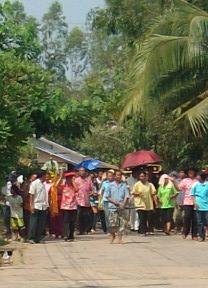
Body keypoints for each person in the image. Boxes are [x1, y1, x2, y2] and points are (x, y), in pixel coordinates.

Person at [105, 170, 129, 244]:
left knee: (122, 223)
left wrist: (124, 204)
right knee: (112, 223)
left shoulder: (124, 185)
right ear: (114, 176)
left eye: (119, 175)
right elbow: (107, 196)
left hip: (122, 207)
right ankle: (112, 235)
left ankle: (120, 238)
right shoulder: (110, 185)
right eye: (117, 175)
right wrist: (115, 203)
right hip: (112, 207)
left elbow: (127, 196)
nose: (118, 176)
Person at [132, 172, 155, 236]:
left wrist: (156, 202)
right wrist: (138, 194)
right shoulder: (137, 184)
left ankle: (142, 230)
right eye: (141, 176)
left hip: (148, 204)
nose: (142, 178)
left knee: (145, 218)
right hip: (139, 204)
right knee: (141, 218)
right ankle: (142, 232)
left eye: (143, 176)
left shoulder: (149, 184)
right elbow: (133, 193)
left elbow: (153, 193)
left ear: (145, 177)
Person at [28, 170, 49, 244]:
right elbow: (31, 195)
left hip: (43, 206)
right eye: (46, 175)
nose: (47, 177)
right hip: (36, 205)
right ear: (42, 176)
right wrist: (31, 206)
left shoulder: (43, 184)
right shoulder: (34, 183)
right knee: (33, 223)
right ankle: (31, 238)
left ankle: (38, 238)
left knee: (41, 223)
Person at [178, 168, 198, 240]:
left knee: (195, 219)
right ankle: (185, 232)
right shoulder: (185, 180)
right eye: (189, 172)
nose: (191, 173)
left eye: (192, 172)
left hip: (196, 202)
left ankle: (194, 234)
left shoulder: (197, 180)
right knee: (187, 217)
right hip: (187, 202)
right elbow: (179, 187)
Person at [75, 167, 93, 235]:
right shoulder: (76, 180)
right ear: (79, 172)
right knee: (79, 216)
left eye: (83, 171)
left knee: (86, 216)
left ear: (85, 172)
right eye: (80, 171)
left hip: (86, 201)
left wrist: (91, 193)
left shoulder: (88, 180)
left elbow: (92, 189)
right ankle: (79, 230)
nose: (82, 172)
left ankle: (86, 229)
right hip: (78, 201)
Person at [61, 172, 77, 241]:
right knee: (66, 221)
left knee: (72, 222)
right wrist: (61, 177)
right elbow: (56, 185)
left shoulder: (73, 186)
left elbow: (77, 189)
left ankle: (71, 236)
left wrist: (73, 181)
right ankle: (65, 235)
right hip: (65, 206)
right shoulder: (64, 186)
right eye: (68, 179)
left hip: (73, 206)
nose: (69, 180)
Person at [191, 173, 208, 242]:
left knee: (206, 221)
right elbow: (193, 195)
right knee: (199, 222)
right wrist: (194, 202)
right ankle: (201, 236)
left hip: (206, 206)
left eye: (199, 176)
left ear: (202, 177)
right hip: (198, 206)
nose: (197, 177)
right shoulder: (195, 184)